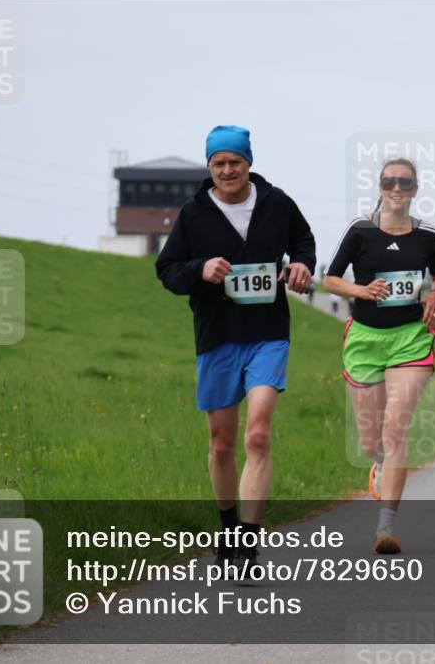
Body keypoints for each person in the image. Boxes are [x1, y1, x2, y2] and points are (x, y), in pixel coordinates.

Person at [156, 125, 315, 568]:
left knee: (258, 433)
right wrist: (199, 268)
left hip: (268, 332)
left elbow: (303, 241)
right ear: (209, 167)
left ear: (249, 162)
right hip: (217, 335)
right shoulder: (194, 213)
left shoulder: (277, 203)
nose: (228, 170)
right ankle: (227, 526)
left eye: (235, 162)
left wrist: (301, 264)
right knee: (222, 443)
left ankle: (247, 537)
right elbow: (167, 269)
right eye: (219, 163)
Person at [323, 157, 435, 555]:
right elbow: (329, 278)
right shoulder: (360, 229)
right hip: (364, 338)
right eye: (389, 181)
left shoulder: (429, 235)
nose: (397, 188)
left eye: (405, 182)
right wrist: (361, 291)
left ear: (415, 190)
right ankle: (378, 465)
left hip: (410, 339)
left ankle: (385, 527)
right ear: (380, 186)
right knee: (370, 442)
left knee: (396, 429)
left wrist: (434, 293)